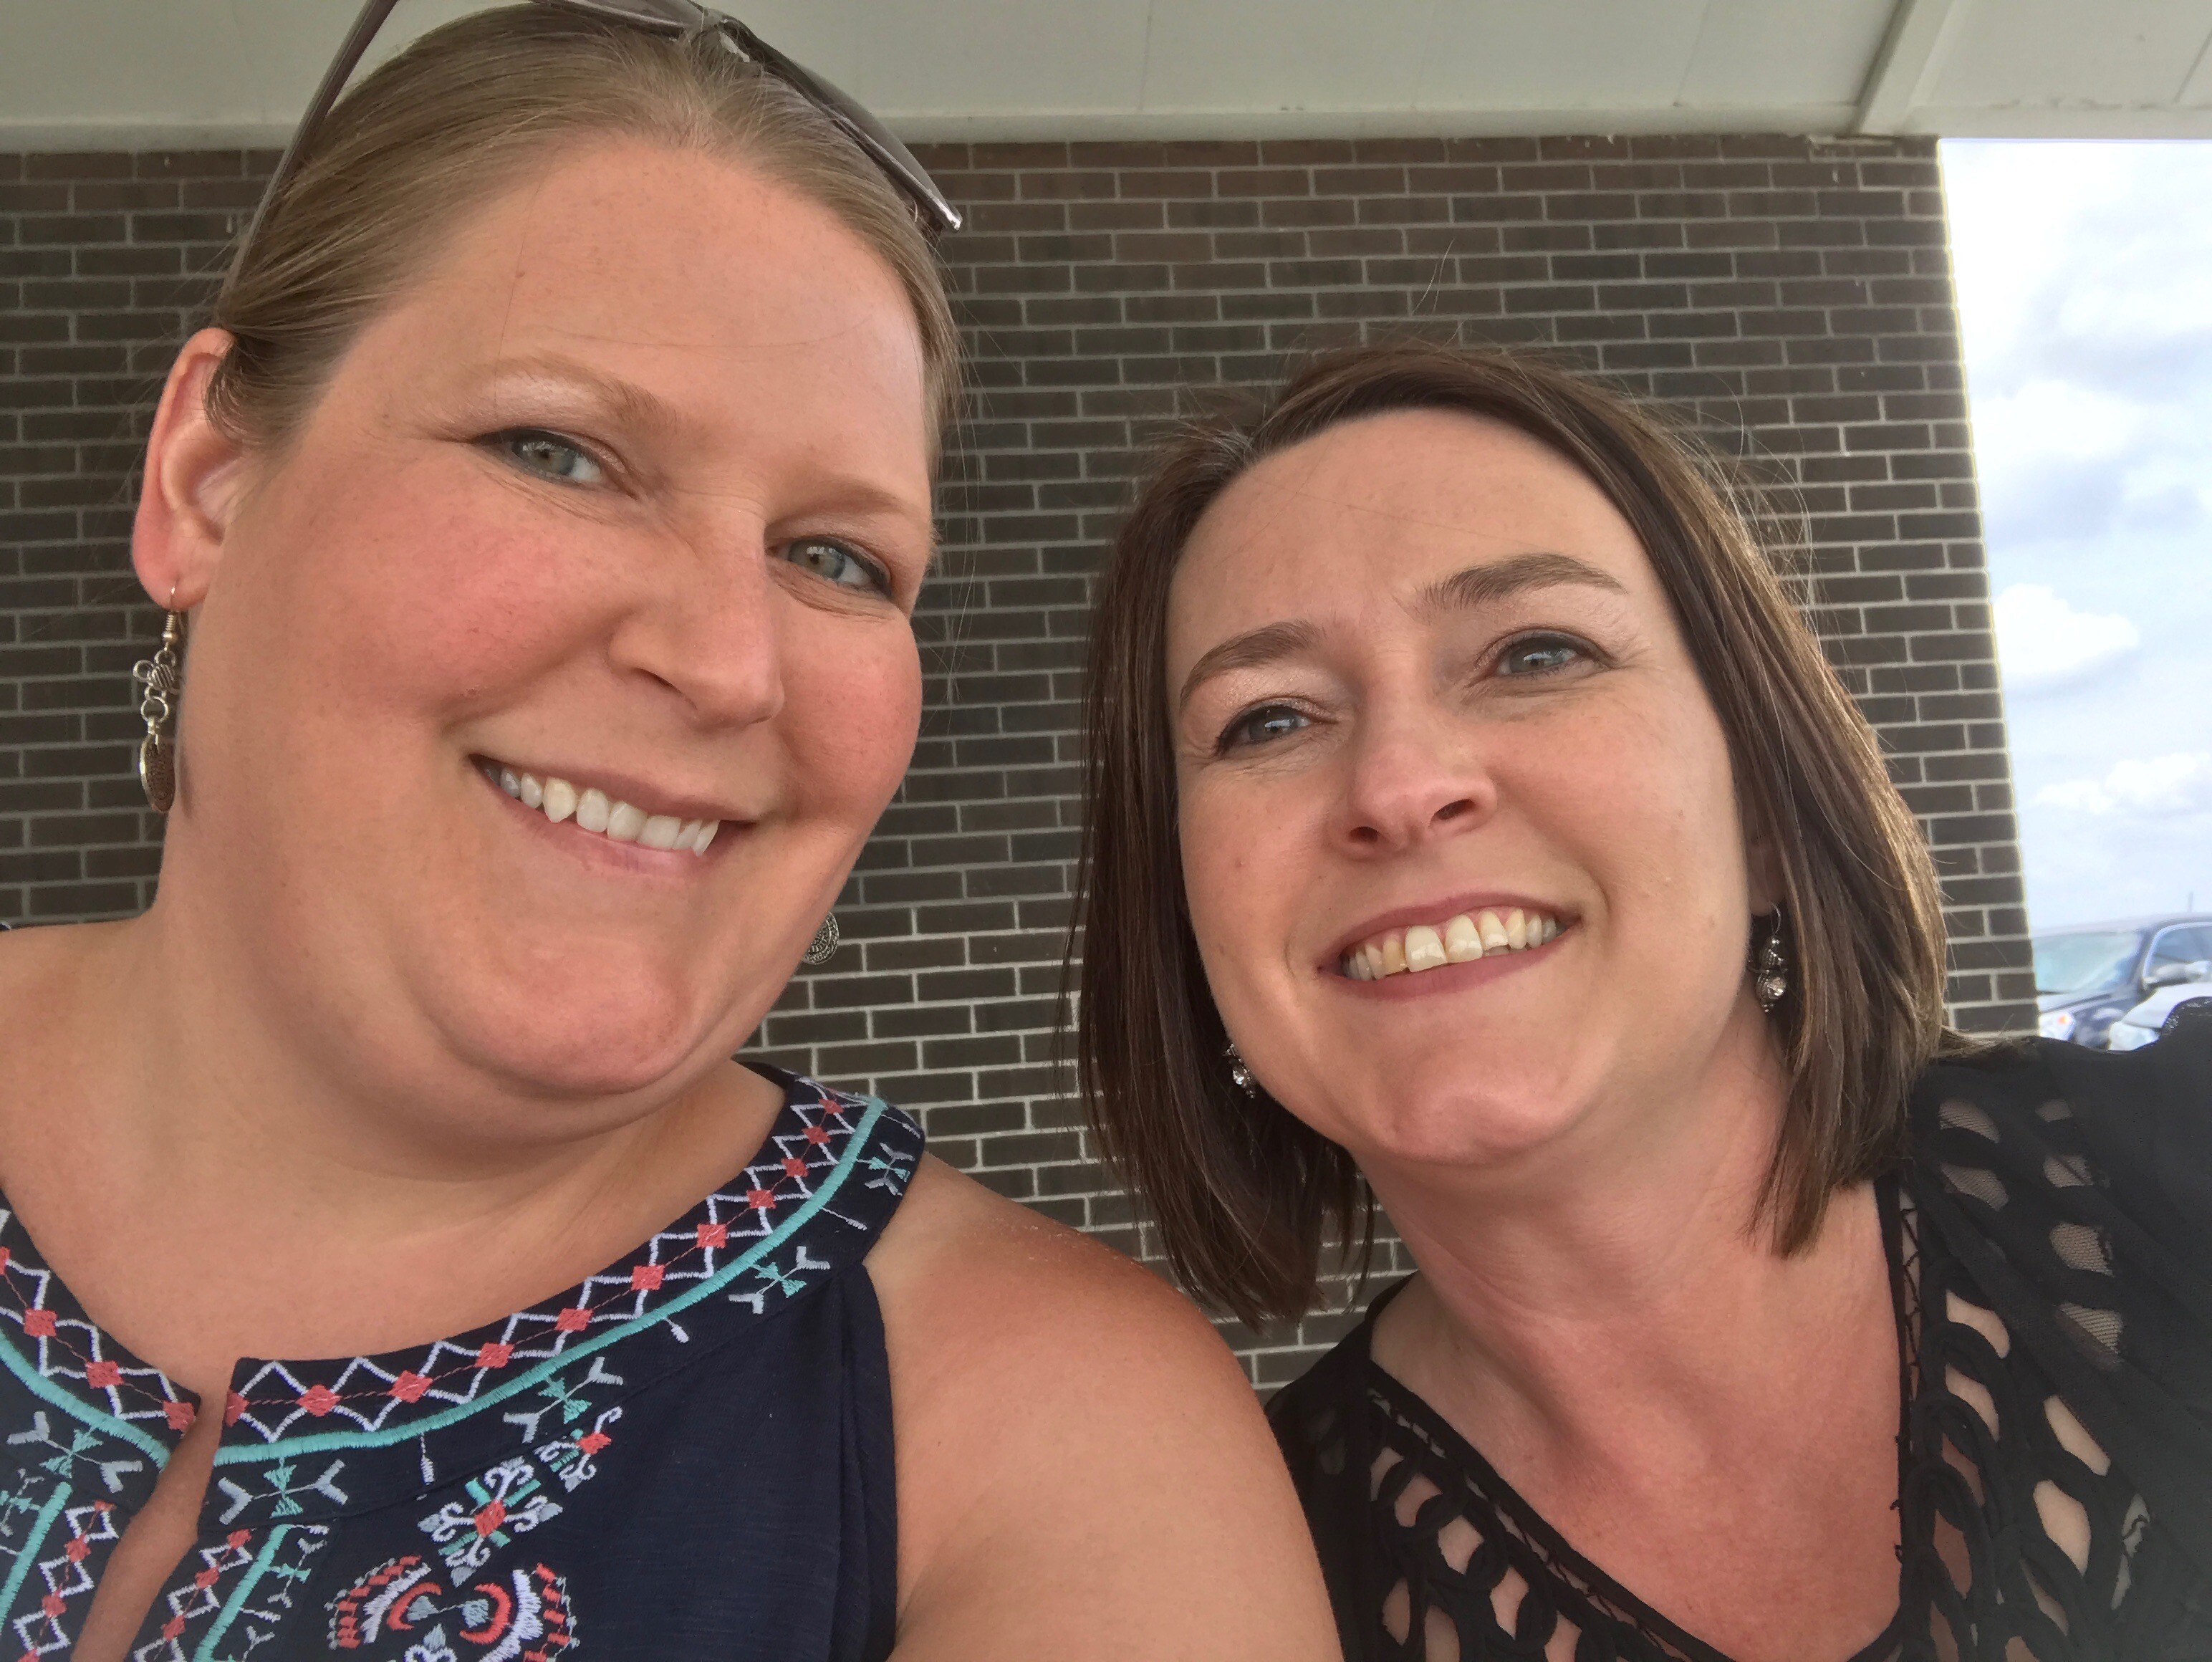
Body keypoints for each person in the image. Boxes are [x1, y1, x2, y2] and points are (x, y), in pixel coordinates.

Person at [0, 7, 1339, 1659]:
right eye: (559, 453)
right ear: (205, 478)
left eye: (835, 557)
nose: (725, 662)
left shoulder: (1050, 1436)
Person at [1072, 341, 2212, 1661]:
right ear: (1184, 924)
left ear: (1767, 805)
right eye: (1268, 720)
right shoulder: (1234, 1599)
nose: (1399, 786)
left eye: (1534, 652)